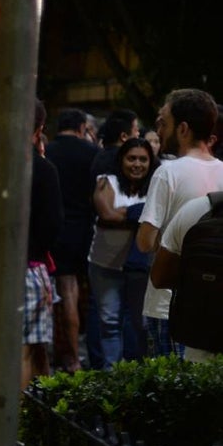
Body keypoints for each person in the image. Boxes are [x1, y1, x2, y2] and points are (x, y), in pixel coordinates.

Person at [136, 88, 223, 356]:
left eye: (163, 122)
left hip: (167, 306)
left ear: (183, 128)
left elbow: (145, 242)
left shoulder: (167, 173)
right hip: (211, 305)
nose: (159, 130)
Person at [88, 137, 155, 366]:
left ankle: (139, 375)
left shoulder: (156, 186)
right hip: (105, 265)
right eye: (131, 158)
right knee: (109, 322)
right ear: (121, 160)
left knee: (141, 323)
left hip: (141, 267)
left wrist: (122, 214)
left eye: (143, 159)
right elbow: (107, 214)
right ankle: (112, 376)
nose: (137, 164)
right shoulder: (107, 182)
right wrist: (139, 213)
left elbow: (156, 219)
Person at [44, 108, 99, 373]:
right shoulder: (91, 153)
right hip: (84, 230)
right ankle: (75, 356)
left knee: (58, 293)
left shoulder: (48, 152)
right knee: (74, 294)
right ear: (81, 128)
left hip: (54, 230)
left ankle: (60, 353)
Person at [22, 100, 65, 389]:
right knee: (26, 352)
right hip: (29, 268)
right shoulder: (42, 169)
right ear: (39, 130)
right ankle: (18, 425)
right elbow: (52, 225)